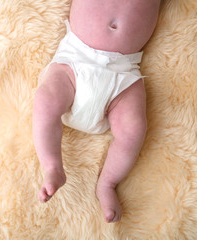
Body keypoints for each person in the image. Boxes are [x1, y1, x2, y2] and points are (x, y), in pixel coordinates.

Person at [33, 0, 161, 223]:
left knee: (133, 129)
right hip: (75, 61)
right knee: (45, 102)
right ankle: (52, 166)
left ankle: (107, 183)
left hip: (123, 72)